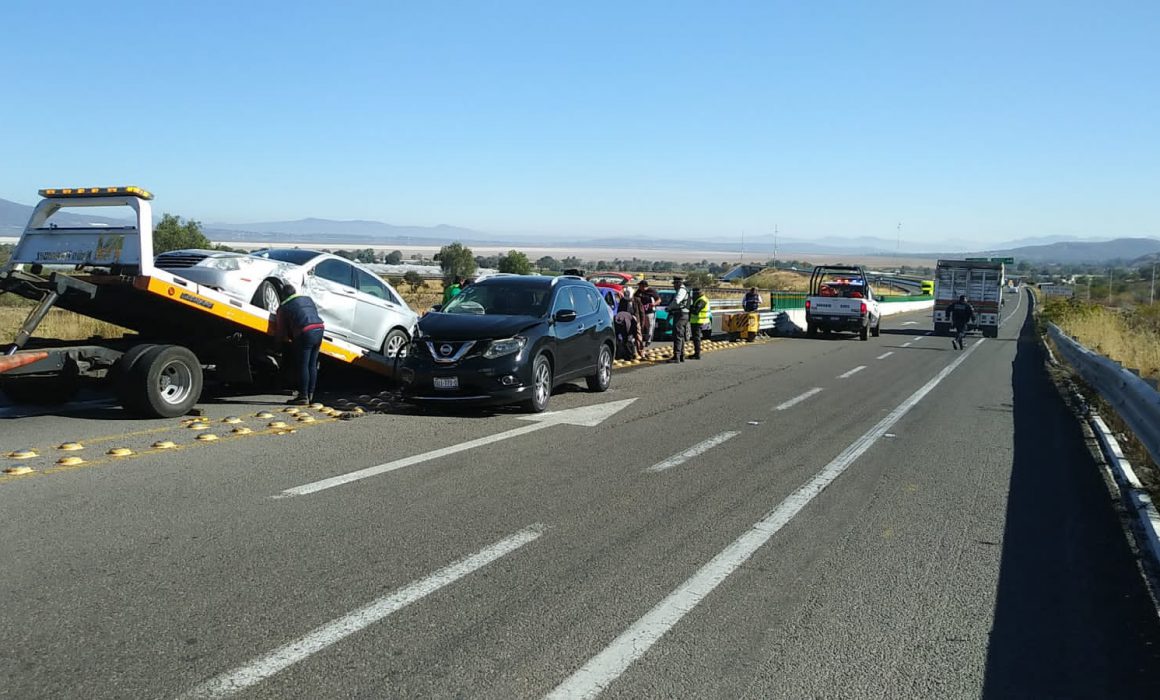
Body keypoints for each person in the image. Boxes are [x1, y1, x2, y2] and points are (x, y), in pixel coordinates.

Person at [274, 283, 325, 405]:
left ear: (283, 295)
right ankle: (311, 395)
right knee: (312, 364)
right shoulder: (307, 299)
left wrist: (277, 344)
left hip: (305, 333)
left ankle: (303, 396)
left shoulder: (284, 307)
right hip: (319, 329)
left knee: (303, 365)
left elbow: (281, 331)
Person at [667, 276, 691, 362]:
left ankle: (676, 356)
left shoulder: (681, 290)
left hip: (680, 314)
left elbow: (677, 301)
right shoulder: (684, 290)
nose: (674, 286)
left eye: (675, 284)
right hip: (684, 314)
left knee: (677, 335)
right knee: (680, 335)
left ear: (678, 283)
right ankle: (681, 355)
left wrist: (669, 308)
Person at [635, 279, 660, 346]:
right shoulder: (638, 292)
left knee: (649, 326)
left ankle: (648, 340)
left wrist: (654, 304)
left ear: (644, 286)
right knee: (641, 326)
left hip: (649, 312)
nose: (639, 287)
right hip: (640, 312)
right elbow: (634, 298)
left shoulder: (652, 291)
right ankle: (640, 340)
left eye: (640, 286)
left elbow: (659, 300)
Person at [689, 286, 710, 359]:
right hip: (698, 321)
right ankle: (696, 353)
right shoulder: (700, 299)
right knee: (696, 338)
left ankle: (697, 354)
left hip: (698, 321)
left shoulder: (702, 300)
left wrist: (690, 307)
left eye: (694, 294)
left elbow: (696, 311)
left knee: (696, 338)